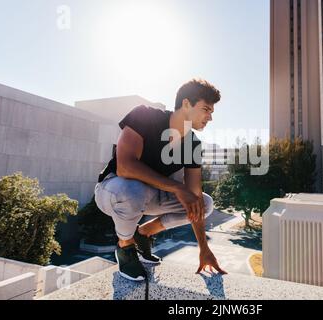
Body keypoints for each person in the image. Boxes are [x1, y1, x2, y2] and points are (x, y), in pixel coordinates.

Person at [94, 79, 227, 281]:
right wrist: (176, 188)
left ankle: (144, 232)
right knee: (132, 190)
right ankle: (125, 247)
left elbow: (194, 196)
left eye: (212, 112)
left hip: (150, 195)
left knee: (204, 204)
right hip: (113, 190)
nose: (209, 117)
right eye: (206, 110)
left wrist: (204, 248)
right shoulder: (145, 116)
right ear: (186, 104)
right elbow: (125, 166)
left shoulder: (192, 144)